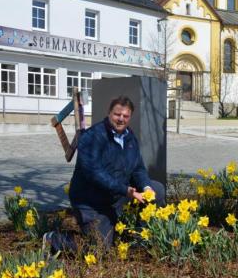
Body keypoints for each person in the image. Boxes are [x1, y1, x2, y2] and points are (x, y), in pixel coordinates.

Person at [45, 96, 165, 252]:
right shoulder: (92, 137)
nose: (121, 119)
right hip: (91, 201)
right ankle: (53, 239)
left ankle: (141, 238)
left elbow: (138, 168)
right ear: (109, 113)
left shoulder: (130, 137)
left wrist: (146, 186)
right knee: (99, 249)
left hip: (116, 196)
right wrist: (126, 190)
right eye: (117, 114)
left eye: (125, 116)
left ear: (130, 117)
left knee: (158, 190)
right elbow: (94, 174)